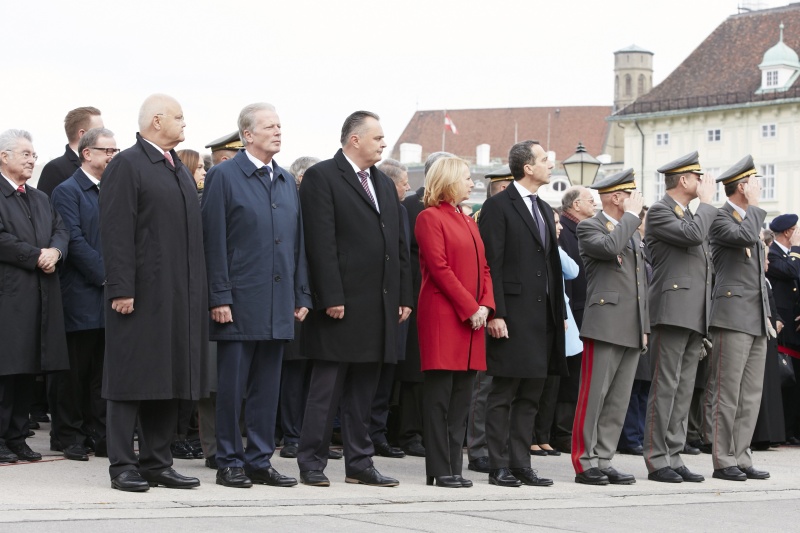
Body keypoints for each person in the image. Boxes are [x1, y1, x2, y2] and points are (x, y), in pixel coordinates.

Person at [100, 94, 210, 492]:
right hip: (139, 295)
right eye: (179, 117)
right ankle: (123, 465)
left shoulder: (177, 168)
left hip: (179, 295)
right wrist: (122, 287)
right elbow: (115, 232)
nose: (185, 124)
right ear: (157, 120)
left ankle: (157, 462)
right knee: (130, 379)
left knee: (168, 377)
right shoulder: (128, 165)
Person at [297, 111, 412, 487]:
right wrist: (330, 294)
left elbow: (399, 245)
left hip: (378, 304)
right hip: (340, 303)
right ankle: (311, 461)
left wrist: (403, 295)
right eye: (377, 137)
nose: (383, 143)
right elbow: (320, 242)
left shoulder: (381, 181)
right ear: (354, 140)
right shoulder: (322, 177)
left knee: (365, 390)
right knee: (326, 389)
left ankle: (359, 463)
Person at [202, 102, 310, 489]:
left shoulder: (284, 178)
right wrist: (219, 296)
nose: (278, 132)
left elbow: (296, 244)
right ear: (247, 134)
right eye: (269, 126)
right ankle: (229, 459)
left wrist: (302, 294)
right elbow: (212, 241)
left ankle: (259, 459)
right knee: (232, 388)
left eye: (280, 125)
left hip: (278, 301)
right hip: (238, 300)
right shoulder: (224, 176)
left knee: (268, 387)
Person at [479, 140, 566, 488]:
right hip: (511, 316)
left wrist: (557, 313)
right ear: (527, 167)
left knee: (531, 393)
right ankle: (498, 464)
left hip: (543, 317)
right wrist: (495, 312)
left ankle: (520, 463)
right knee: (503, 393)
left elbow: (551, 265)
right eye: (545, 159)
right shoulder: (498, 206)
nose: (550, 164)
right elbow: (491, 264)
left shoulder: (545, 208)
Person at [416, 156, 493, 488]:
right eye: (466, 178)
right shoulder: (429, 218)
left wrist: (487, 306)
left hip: (472, 320)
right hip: (444, 318)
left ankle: (454, 467)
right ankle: (439, 467)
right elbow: (439, 268)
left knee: (461, 399)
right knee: (439, 400)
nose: (472, 183)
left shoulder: (469, 220)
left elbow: (485, 268)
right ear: (447, 180)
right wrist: (471, 307)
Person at [641, 151, 715, 484]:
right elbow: (692, 237)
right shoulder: (659, 211)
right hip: (671, 311)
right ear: (683, 180)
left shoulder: (687, 213)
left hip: (692, 312)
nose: (702, 182)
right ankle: (657, 459)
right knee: (666, 386)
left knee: (683, 389)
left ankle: (674, 453)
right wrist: (709, 205)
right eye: (698, 177)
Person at [572, 169, 648, 486]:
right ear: (617, 197)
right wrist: (631, 216)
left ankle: (604, 458)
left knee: (618, 399)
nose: (638, 201)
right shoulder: (590, 227)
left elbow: (641, 283)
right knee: (594, 396)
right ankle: (584, 460)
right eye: (632, 195)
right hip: (604, 323)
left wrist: (643, 325)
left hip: (631, 325)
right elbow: (608, 248)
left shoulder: (631, 231)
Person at [49, 127, 119, 461]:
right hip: (80, 293)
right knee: (74, 371)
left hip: (110, 296)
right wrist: (108, 276)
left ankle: (99, 432)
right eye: (107, 150)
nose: (112, 156)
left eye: (115, 151)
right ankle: (69, 434)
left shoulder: (114, 189)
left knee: (101, 373)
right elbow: (72, 240)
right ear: (87, 153)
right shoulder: (68, 190)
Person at [0, 129, 69, 463]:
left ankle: (16, 437)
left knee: (29, 369)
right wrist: (35, 255)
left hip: (40, 295)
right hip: (9, 296)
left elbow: (61, 229)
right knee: (4, 370)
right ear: (4, 156)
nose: (32, 160)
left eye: (33, 155)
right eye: (25, 154)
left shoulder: (39, 197)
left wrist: (55, 251)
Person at [706, 155, 770, 481]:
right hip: (731, 316)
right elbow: (743, 237)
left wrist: (767, 317)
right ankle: (723, 458)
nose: (758, 187)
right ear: (743, 187)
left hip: (755, 317)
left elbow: (759, 277)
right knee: (727, 393)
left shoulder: (751, 220)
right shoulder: (721, 218)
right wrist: (756, 207)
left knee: (750, 394)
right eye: (754, 182)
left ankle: (742, 455)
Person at [196, 132, 245, 469]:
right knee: (213, 381)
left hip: (244, 297)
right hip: (215, 295)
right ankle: (214, 448)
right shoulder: (209, 191)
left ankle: (231, 445)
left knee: (238, 379)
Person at [467, 164, 513, 473]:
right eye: (502, 188)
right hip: (486, 306)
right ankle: (477, 447)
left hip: (505, 306)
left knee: (498, 383)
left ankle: (495, 444)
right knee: (483, 385)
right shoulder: (485, 217)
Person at [365, 158, 411, 459]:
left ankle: (378, 434)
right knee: (365, 375)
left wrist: (404, 298)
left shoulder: (401, 210)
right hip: (370, 303)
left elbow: (403, 255)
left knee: (386, 374)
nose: (408, 186)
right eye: (403, 181)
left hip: (395, 305)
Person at [278, 155, 322, 460]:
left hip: (319, 302)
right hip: (294, 299)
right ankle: (291, 435)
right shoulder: (289, 206)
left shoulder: (323, 208)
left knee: (313, 373)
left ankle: (309, 435)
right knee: (292, 375)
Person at [551, 185, 595, 454]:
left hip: (580, 309)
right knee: (568, 376)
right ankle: (561, 433)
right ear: (576, 205)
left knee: (575, 376)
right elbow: (563, 276)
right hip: (572, 311)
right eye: (590, 200)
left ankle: (564, 431)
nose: (594, 204)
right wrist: (564, 312)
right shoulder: (565, 231)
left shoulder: (579, 229)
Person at [766, 214, 800, 444]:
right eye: (796, 230)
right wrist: (796, 249)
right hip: (782, 330)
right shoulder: (773, 254)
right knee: (785, 381)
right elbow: (791, 271)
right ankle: (784, 431)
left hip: (795, 330)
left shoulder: (792, 256)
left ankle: (793, 430)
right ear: (788, 232)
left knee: (796, 383)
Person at [38, 107, 104, 196]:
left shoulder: (104, 167)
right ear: (83, 134)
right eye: (100, 131)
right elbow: (46, 207)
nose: (105, 135)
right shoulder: (55, 169)